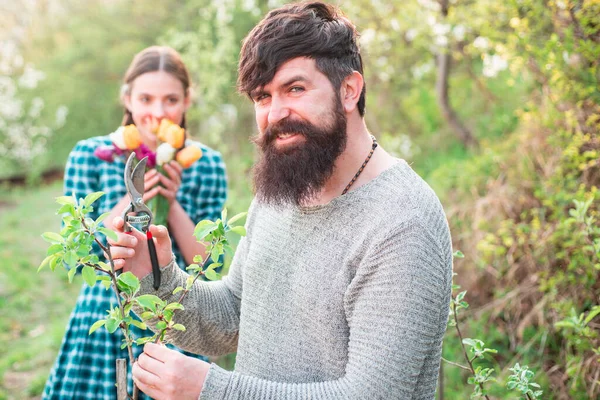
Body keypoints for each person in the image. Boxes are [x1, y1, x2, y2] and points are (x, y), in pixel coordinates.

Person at [110, 3, 453, 399]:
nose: (276, 113)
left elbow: (371, 394)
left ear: (349, 90)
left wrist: (211, 390)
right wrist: (157, 276)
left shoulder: (403, 221)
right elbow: (233, 316)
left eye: (295, 88)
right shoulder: (285, 188)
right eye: (262, 97)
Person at [43, 46, 228, 400]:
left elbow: (207, 263)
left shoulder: (207, 164)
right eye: (146, 98)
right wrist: (136, 191)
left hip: (176, 318)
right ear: (127, 98)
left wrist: (170, 202)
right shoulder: (89, 155)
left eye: (171, 99)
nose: (157, 113)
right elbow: (85, 253)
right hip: (108, 314)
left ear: (187, 100)